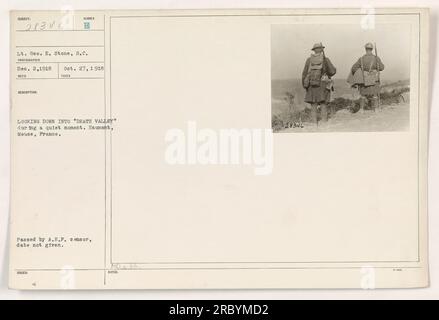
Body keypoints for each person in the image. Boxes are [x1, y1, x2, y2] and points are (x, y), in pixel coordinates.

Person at [302, 42, 337, 126]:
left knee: (313, 104)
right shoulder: (325, 59)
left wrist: (305, 85)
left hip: (311, 84)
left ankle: (314, 123)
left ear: (314, 50)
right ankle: (324, 122)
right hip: (323, 84)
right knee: (323, 103)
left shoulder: (309, 60)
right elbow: (332, 71)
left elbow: (304, 73)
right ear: (321, 50)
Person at [350, 42, 385, 112]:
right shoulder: (376, 58)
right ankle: (376, 109)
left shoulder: (361, 59)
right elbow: (382, 67)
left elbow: (353, 68)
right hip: (374, 78)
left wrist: (360, 72)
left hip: (364, 78)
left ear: (365, 49)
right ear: (372, 49)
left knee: (363, 95)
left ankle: (361, 109)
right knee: (375, 94)